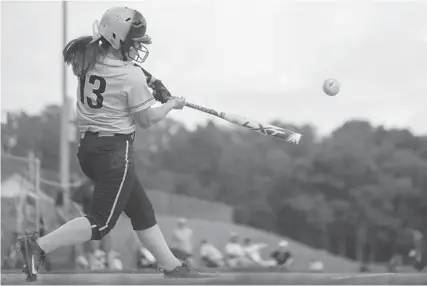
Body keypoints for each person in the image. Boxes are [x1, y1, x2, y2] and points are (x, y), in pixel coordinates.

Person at [17, 6, 199, 282]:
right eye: (134, 42)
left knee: (141, 210)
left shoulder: (88, 56)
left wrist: (152, 81)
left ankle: (172, 266)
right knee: (100, 223)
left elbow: (125, 68)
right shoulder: (130, 76)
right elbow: (147, 119)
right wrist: (172, 104)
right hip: (115, 153)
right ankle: (38, 246)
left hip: (89, 150)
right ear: (117, 39)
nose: (138, 46)